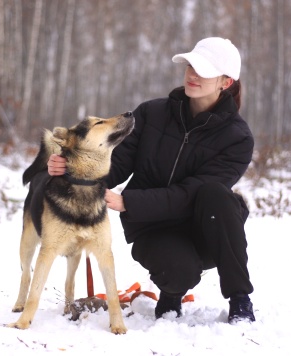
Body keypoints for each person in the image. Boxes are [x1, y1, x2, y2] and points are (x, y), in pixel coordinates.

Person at [48, 37, 256, 324]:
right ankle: (172, 291)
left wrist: (128, 201)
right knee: (179, 270)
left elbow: (191, 193)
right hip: (151, 226)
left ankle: (240, 300)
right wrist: (71, 168)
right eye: (190, 66)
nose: (193, 75)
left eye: (204, 70)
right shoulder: (152, 113)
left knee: (217, 195)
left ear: (226, 82)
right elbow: (115, 163)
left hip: (205, 228)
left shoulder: (238, 138)